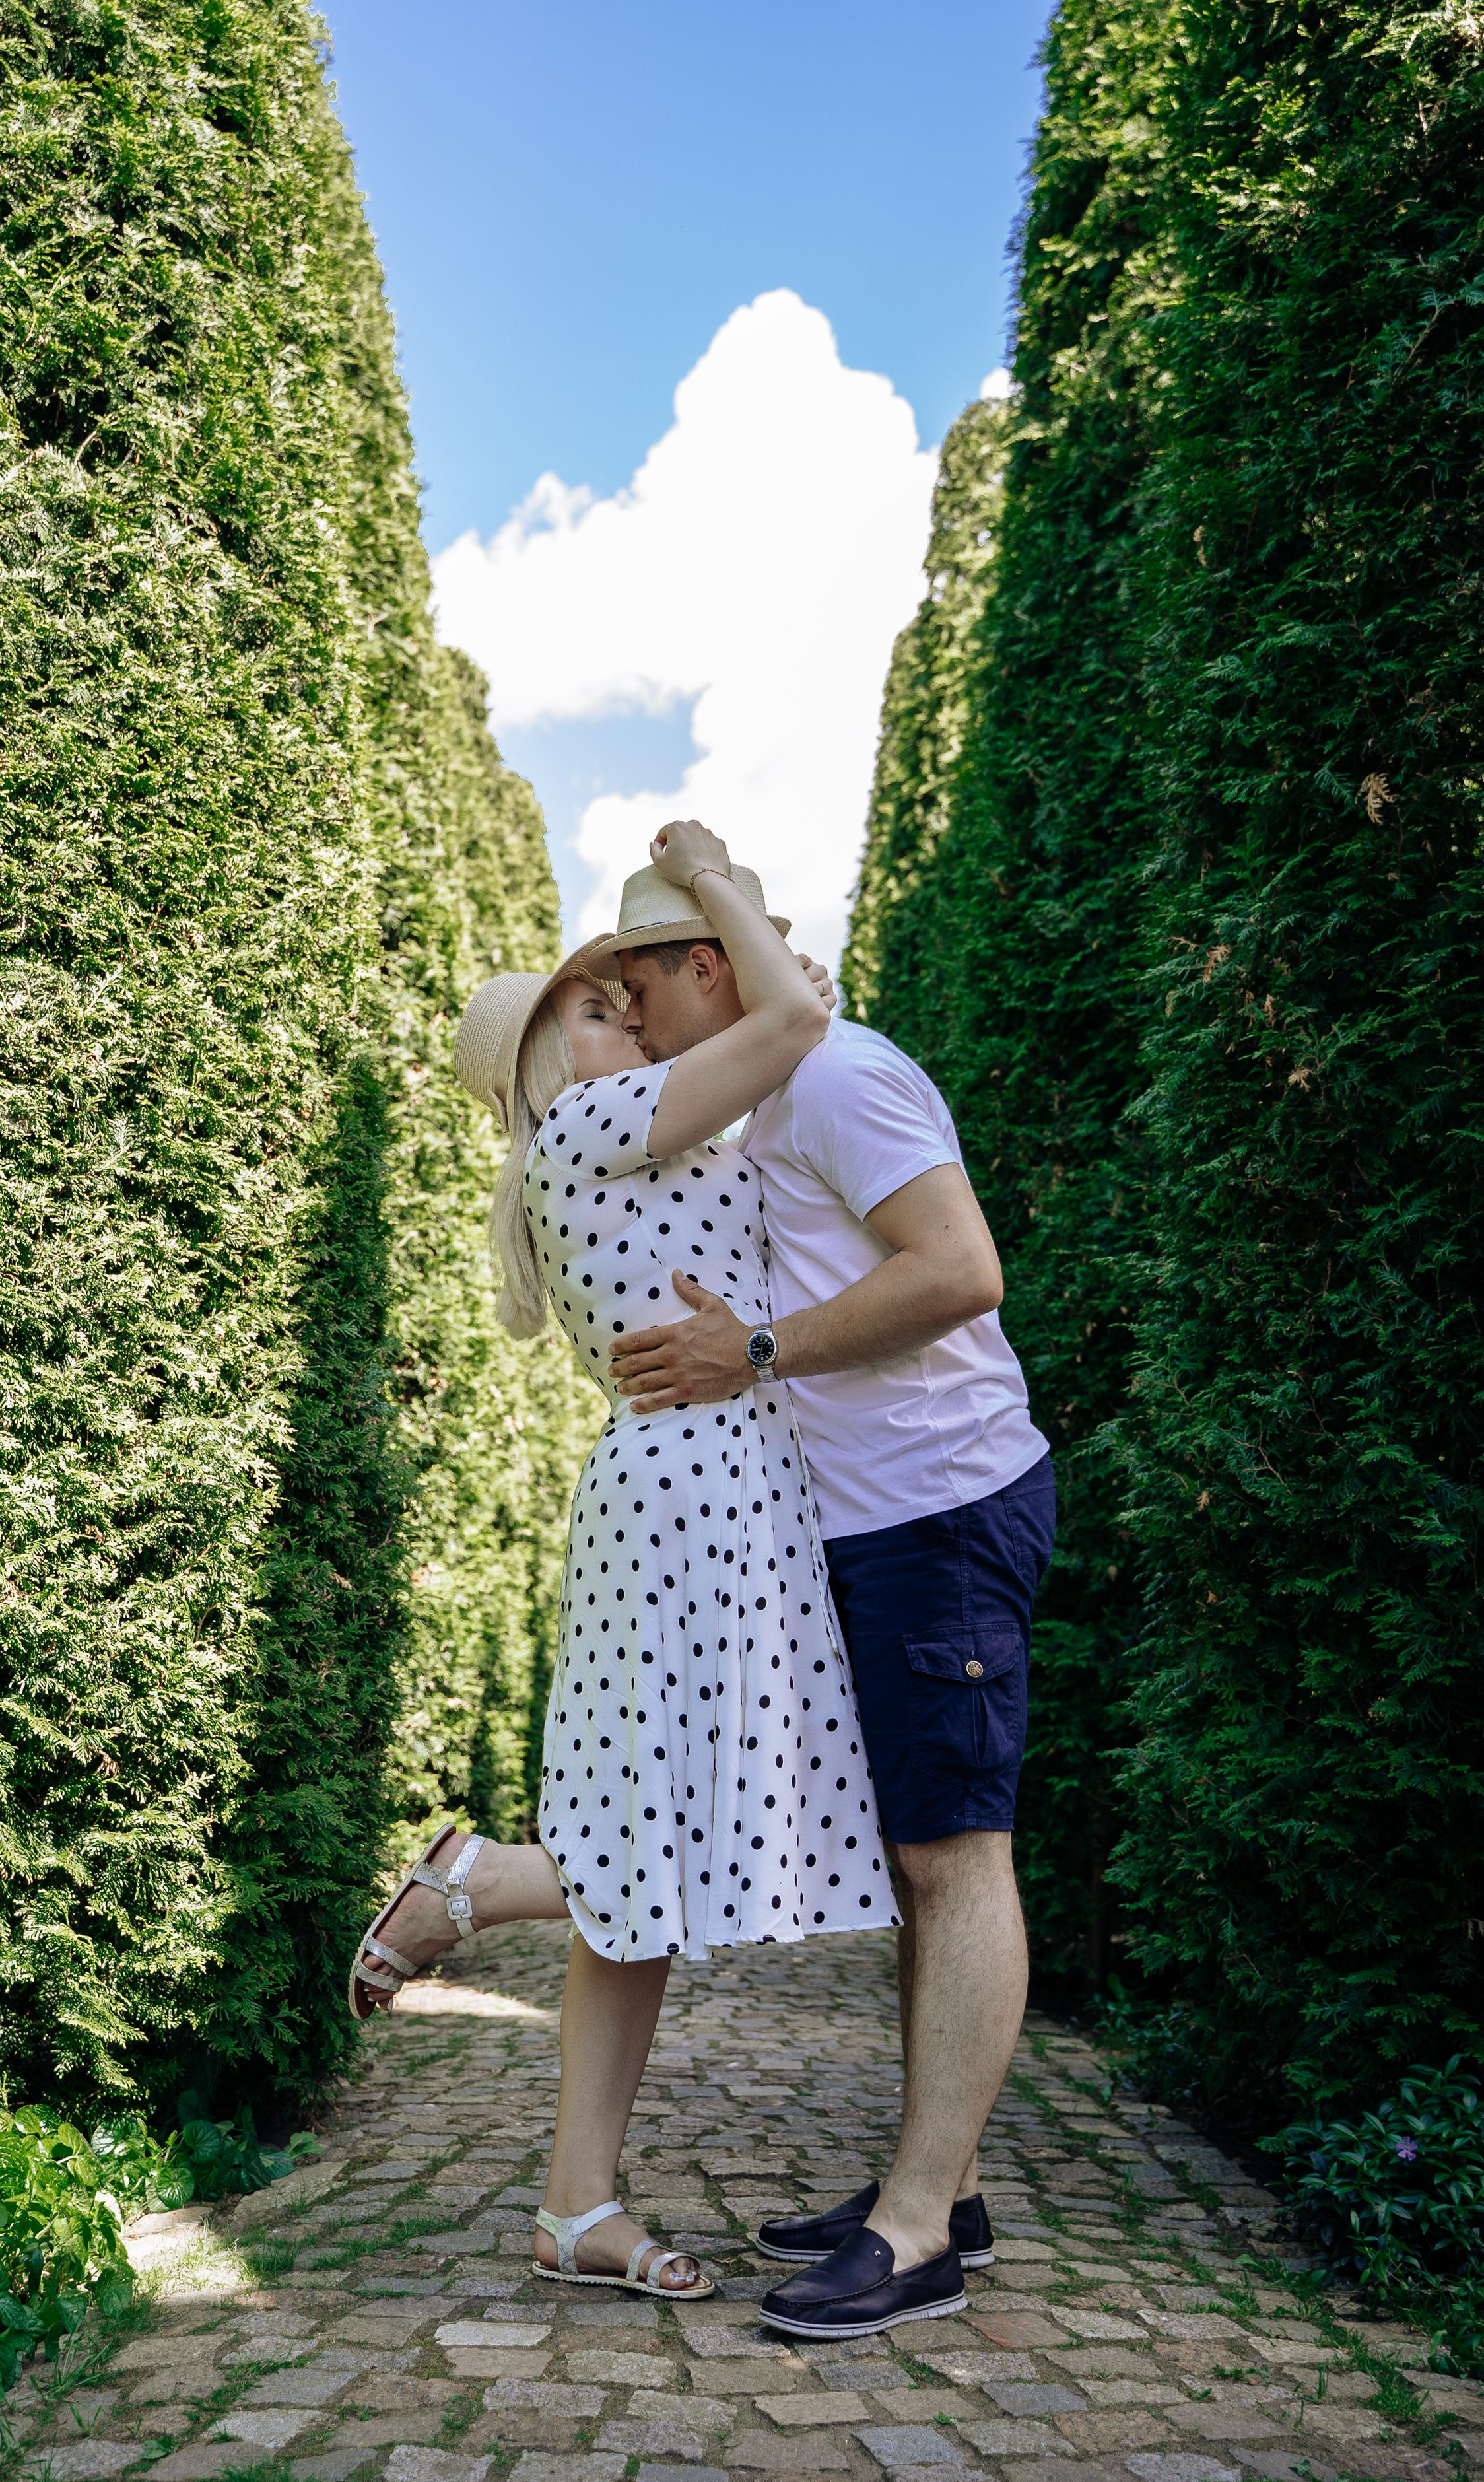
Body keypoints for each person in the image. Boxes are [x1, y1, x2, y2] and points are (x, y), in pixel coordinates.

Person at [344, 819, 899, 2304]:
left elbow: (784, 1025)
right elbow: (791, 1021)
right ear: (545, 1072)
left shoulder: (628, 1138)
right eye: (594, 1010)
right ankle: (472, 1881)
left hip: (707, 1487)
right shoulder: (590, 1132)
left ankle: (572, 2205)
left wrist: (766, 976)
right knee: (640, 1840)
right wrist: (716, 881)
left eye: (621, 997)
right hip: (696, 1497)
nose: (625, 1013)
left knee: (650, 1871)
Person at [599, 860, 1054, 2340]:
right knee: (927, 1859)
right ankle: (944, 2188)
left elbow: (963, 1271)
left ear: (709, 964)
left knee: (955, 1861)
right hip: (876, 1529)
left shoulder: (846, 1079)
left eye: (643, 987)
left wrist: (760, 1354)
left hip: (942, 1510)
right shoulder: (779, 1106)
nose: (639, 1021)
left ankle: (914, 2236)